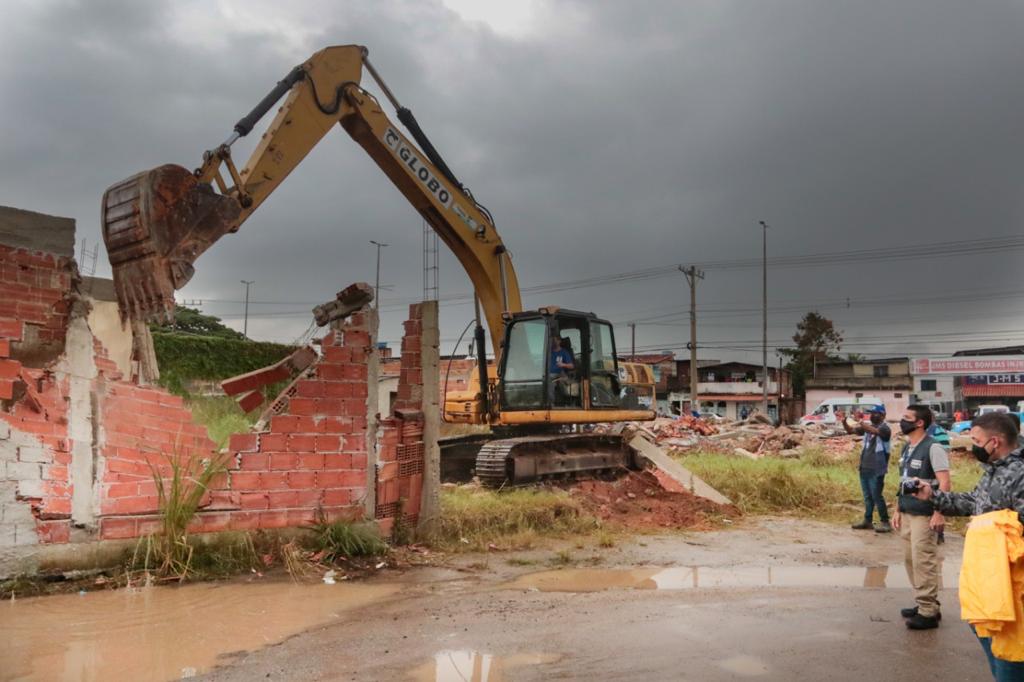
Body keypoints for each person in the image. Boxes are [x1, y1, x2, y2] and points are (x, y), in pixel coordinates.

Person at [911, 413, 1024, 678]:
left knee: (1010, 656)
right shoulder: (994, 470)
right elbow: (974, 502)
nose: (972, 445)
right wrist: (933, 496)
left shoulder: (1020, 473)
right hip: (989, 580)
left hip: (1012, 585)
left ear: (994, 442)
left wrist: (993, 526)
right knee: (990, 642)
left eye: (976, 440)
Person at [892, 404, 951, 630]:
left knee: (923, 560)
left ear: (920, 423)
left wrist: (939, 512)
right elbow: (903, 481)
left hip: (924, 514)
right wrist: (897, 509)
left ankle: (928, 611)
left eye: (907, 418)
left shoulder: (933, 447)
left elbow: (944, 482)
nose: (902, 421)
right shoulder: (907, 448)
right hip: (907, 511)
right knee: (911, 560)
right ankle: (923, 601)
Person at [840, 405, 893, 532]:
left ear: (883, 415)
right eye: (872, 413)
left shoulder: (885, 429)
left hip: (877, 468)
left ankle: (885, 521)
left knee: (876, 495)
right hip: (864, 467)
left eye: (876, 413)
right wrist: (844, 421)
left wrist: (860, 422)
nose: (873, 415)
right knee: (867, 496)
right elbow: (850, 431)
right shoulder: (867, 428)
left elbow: (875, 432)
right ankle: (867, 521)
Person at [547, 334, 574, 405]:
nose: (553, 342)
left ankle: (553, 403)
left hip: (560, 373)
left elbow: (571, 366)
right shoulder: (549, 352)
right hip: (549, 374)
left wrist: (563, 364)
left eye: (555, 340)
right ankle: (549, 403)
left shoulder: (564, 352)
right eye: (552, 341)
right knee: (546, 380)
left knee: (552, 382)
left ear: (559, 341)